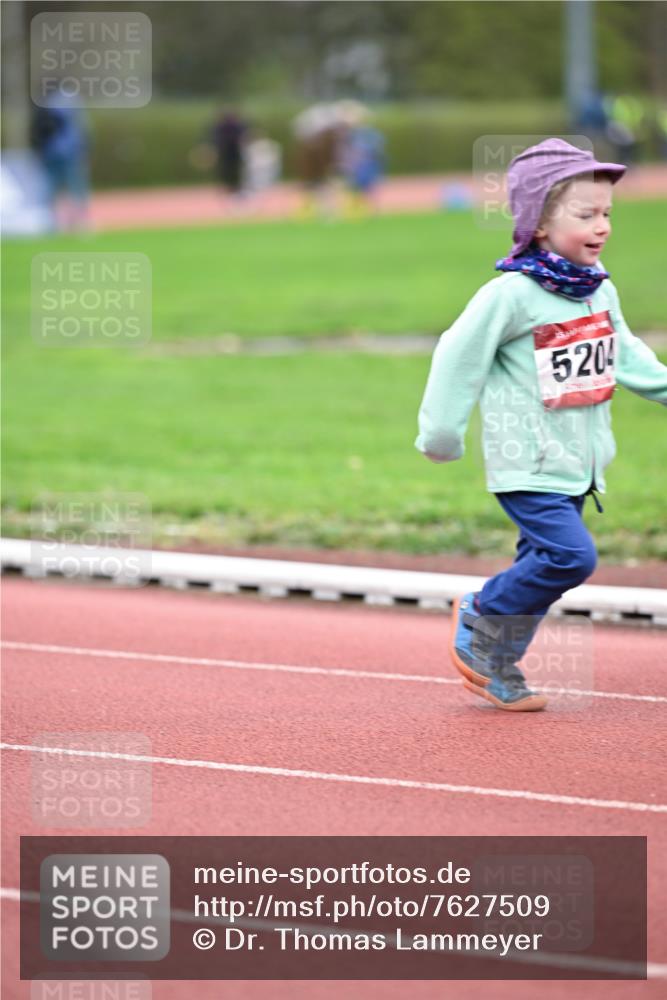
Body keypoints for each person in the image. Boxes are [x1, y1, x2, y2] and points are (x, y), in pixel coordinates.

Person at [415, 138, 667, 712]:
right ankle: (483, 612)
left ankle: (497, 661)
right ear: (539, 222)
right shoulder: (511, 294)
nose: (601, 226)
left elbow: (626, 356)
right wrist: (442, 435)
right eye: (585, 214)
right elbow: (458, 355)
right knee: (570, 558)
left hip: (579, 464)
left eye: (607, 214)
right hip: (527, 461)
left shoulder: (598, 286)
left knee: (541, 564)